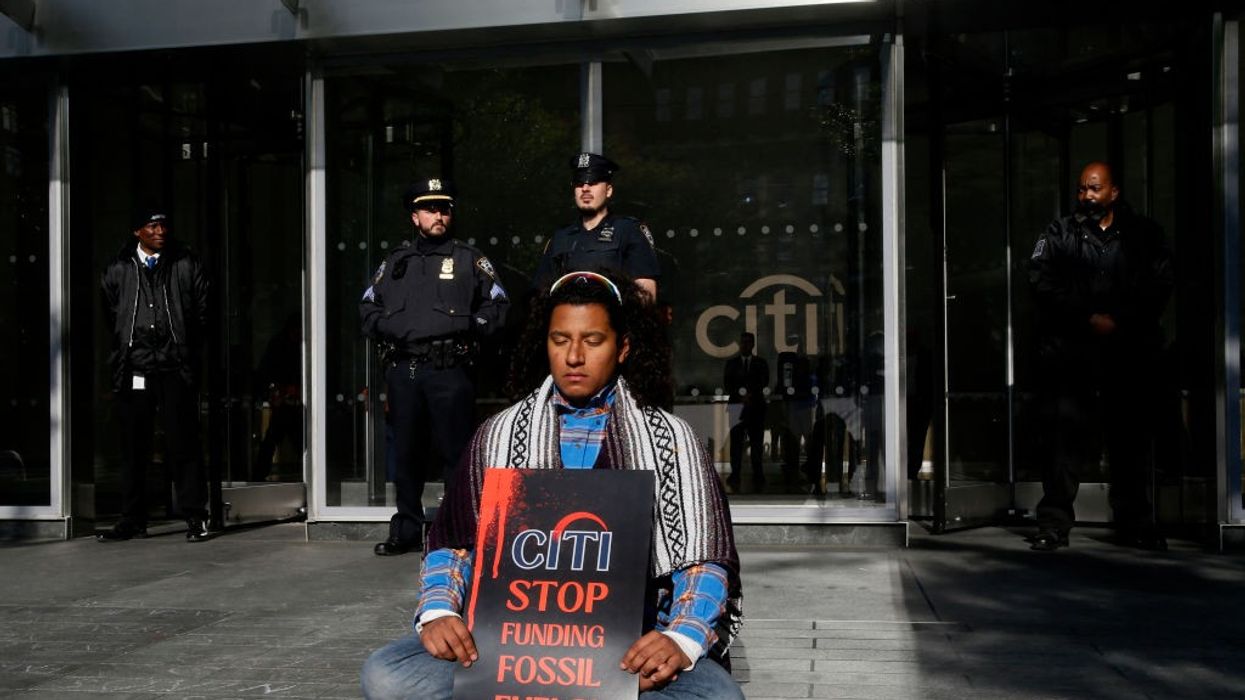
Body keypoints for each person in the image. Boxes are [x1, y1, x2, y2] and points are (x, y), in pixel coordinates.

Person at [360, 271, 744, 700]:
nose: (574, 356)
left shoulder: (672, 439)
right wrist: (438, 612)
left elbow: (702, 561)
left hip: (629, 648)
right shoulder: (498, 435)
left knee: (716, 696)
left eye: (593, 341)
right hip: (512, 645)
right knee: (387, 675)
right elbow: (455, 543)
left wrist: (679, 640)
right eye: (560, 340)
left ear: (623, 349)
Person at [1027, 162, 1173, 552]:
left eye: (1094, 189)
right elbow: (1040, 282)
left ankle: (1136, 523)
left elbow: (1159, 285)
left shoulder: (1144, 235)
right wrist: (1086, 316)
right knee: (1063, 444)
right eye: (1081, 190)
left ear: (1113, 191)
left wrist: (1120, 320)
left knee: (1131, 442)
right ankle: (1053, 524)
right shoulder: (1060, 232)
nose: (1087, 197)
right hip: (1071, 356)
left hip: (1127, 355)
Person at [360, 178, 510, 556]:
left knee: (455, 453)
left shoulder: (468, 258)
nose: (439, 215)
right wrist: (392, 329)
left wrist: (470, 327)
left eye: (444, 208)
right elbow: (367, 307)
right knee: (407, 452)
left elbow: (498, 304)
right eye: (430, 209)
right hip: (406, 368)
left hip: (449, 367)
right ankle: (407, 529)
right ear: (415, 217)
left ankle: (457, 531)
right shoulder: (396, 262)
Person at [97, 207, 211, 543]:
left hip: (174, 366)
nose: (160, 230)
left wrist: (187, 349)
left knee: (184, 444)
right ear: (137, 231)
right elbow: (111, 314)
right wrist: (127, 351)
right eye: (151, 225)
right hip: (135, 367)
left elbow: (202, 312)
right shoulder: (118, 269)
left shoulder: (184, 263)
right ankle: (132, 518)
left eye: (163, 224)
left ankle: (195, 516)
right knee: (134, 447)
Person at [535, 152, 661, 300]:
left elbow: (645, 295)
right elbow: (539, 294)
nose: (585, 188)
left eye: (593, 181)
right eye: (579, 183)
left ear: (608, 190)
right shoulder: (560, 237)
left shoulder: (629, 231)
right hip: (568, 320)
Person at [723, 331, 769, 493]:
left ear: (753, 344)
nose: (745, 345)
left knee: (757, 442)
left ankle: (758, 473)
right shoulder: (732, 364)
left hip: (756, 407)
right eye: (743, 342)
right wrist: (741, 395)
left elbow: (764, 381)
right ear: (740, 344)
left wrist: (750, 395)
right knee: (736, 442)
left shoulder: (761, 363)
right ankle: (735, 474)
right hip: (737, 406)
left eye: (749, 342)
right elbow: (727, 384)